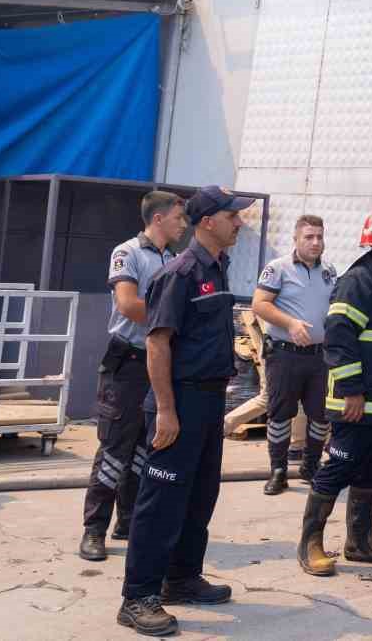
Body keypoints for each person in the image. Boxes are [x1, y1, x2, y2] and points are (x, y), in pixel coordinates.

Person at [117, 186, 252, 636]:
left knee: (200, 494)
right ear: (207, 221)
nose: (240, 221)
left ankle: (181, 577)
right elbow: (157, 344)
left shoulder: (219, 266)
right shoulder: (181, 273)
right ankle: (138, 597)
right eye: (232, 215)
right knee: (161, 502)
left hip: (210, 399)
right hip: (180, 400)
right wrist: (168, 412)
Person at [297, 207, 372, 578]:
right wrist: (351, 389)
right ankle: (310, 544)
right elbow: (338, 337)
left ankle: (361, 542)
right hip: (358, 402)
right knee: (338, 468)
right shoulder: (358, 282)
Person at [80, 191, 188, 561]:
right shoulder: (127, 252)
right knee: (115, 449)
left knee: (147, 448)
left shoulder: (173, 259)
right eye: (178, 217)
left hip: (158, 364)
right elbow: (126, 303)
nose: (183, 223)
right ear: (157, 219)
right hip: (127, 364)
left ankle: (128, 522)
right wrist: (169, 318)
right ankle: (94, 530)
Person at [252, 214, 336, 495]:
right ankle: (278, 470)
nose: (315, 242)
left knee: (321, 415)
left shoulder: (330, 271)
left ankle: (311, 466)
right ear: (296, 239)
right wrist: (290, 323)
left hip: (319, 357)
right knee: (280, 413)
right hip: (285, 354)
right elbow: (260, 305)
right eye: (309, 237)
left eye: (319, 237)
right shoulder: (278, 268)